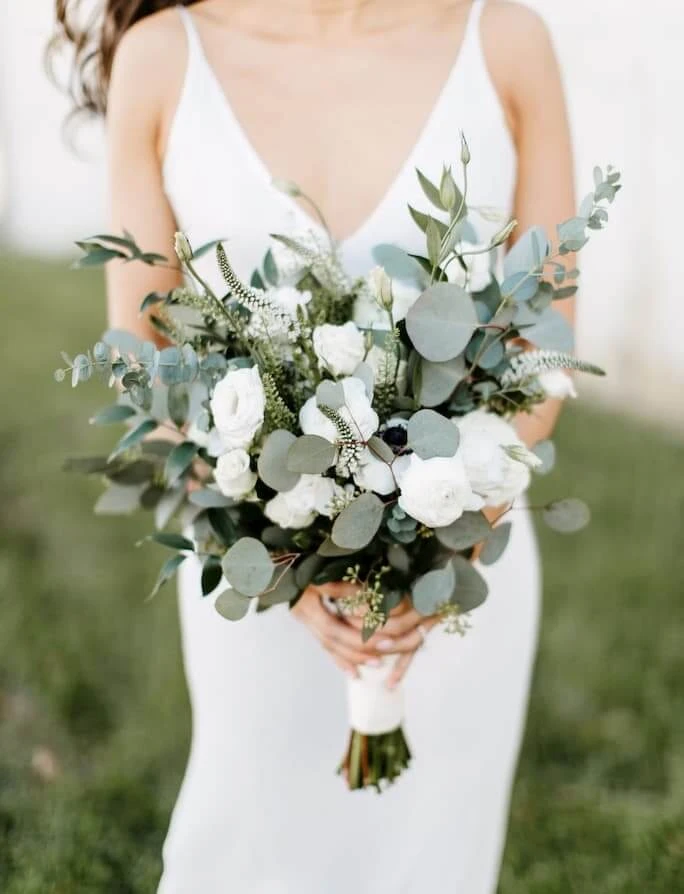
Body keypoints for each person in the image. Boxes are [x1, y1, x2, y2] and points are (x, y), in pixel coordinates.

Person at [53, 0, 575, 890]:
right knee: (248, 846)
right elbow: (142, 357)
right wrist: (279, 555)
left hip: (459, 575)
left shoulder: (504, 41)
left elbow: (547, 340)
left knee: (434, 857)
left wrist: (443, 539)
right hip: (255, 573)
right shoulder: (165, 57)